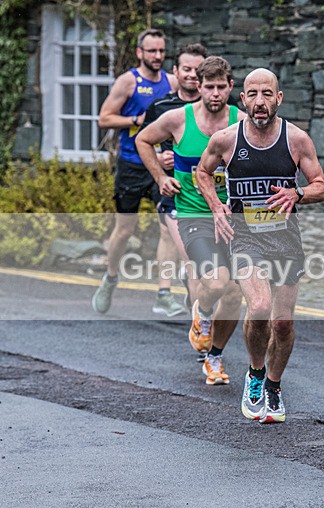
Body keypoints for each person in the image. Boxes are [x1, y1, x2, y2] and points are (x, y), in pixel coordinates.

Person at [195, 68, 324, 423]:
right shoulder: (226, 139)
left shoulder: (297, 139)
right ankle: (254, 374)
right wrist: (216, 206)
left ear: (278, 98)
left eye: (267, 94)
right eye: (252, 94)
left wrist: (296, 192)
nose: (260, 102)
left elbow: (320, 186)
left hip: (285, 240)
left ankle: (273, 384)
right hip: (245, 237)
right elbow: (202, 172)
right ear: (243, 100)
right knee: (260, 305)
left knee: (282, 323)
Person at [136, 56, 245, 385]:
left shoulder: (242, 122)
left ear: (230, 87)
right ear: (198, 86)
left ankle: (214, 356)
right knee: (215, 283)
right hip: (192, 213)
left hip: (233, 217)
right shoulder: (178, 119)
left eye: (220, 87)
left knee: (235, 293)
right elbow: (142, 140)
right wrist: (159, 176)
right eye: (209, 87)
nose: (215, 94)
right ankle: (202, 313)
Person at [92, 29, 186, 318]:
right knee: (124, 230)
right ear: (139, 53)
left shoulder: (172, 82)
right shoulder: (128, 81)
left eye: (161, 51)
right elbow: (104, 118)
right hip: (132, 165)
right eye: (152, 51)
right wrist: (136, 120)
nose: (157, 56)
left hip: (161, 167)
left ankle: (164, 293)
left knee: (168, 226)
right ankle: (110, 277)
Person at [140, 43, 208, 319]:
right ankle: (171, 296)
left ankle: (198, 307)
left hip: (211, 193)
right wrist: (160, 163)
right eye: (187, 69)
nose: (192, 75)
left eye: (198, 70)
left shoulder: (222, 110)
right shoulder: (161, 107)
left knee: (202, 260)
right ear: (176, 71)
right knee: (183, 246)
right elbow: (143, 143)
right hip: (174, 188)